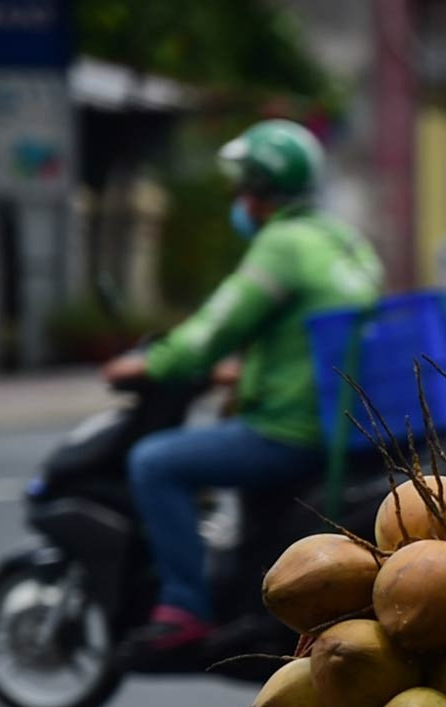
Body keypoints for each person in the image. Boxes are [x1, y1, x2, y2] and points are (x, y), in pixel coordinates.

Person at [101, 118, 383, 658]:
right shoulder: (341, 240)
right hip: (335, 417)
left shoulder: (282, 245)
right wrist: (238, 373)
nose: (237, 198)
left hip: (290, 428)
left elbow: (213, 330)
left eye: (242, 186)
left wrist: (148, 364)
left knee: (155, 463)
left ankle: (184, 606)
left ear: (258, 191)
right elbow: (305, 339)